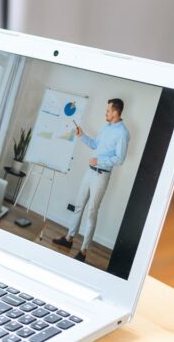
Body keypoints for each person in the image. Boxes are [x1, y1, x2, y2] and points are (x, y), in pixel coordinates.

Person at [52, 98, 130, 263]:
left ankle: (83, 251)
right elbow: (95, 145)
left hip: (101, 175)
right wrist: (82, 136)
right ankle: (69, 238)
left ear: (115, 112)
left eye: (108, 110)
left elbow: (120, 159)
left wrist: (99, 161)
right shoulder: (107, 127)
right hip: (90, 171)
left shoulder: (123, 133)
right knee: (79, 206)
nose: (106, 113)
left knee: (92, 212)